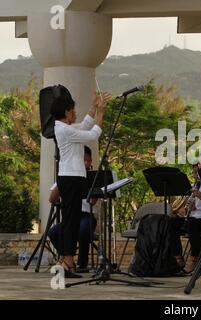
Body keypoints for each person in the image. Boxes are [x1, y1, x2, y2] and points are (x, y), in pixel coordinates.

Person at [51, 88, 111, 277]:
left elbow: (85, 126)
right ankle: (68, 261)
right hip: (71, 178)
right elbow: (93, 135)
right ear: (67, 112)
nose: (75, 113)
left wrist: (93, 107)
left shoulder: (64, 128)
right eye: (73, 110)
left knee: (71, 220)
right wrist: (101, 112)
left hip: (70, 177)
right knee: (71, 221)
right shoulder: (64, 130)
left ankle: (65, 260)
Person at [48, 146, 98, 273]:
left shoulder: (92, 178)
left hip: (86, 215)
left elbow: (93, 201)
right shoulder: (66, 175)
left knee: (83, 230)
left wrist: (89, 187)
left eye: (88, 161)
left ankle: (82, 263)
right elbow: (52, 199)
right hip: (70, 215)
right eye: (83, 160)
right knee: (54, 232)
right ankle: (66, 257)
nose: (86, 163)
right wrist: (61, 184)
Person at [169, 152, 201, 274]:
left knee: (192, 224)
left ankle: (195, 258)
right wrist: (190, 207)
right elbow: (193, 207)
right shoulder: (197, 183)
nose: (199, 169)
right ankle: (177, 257)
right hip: (195, 217)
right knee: (171, 222)